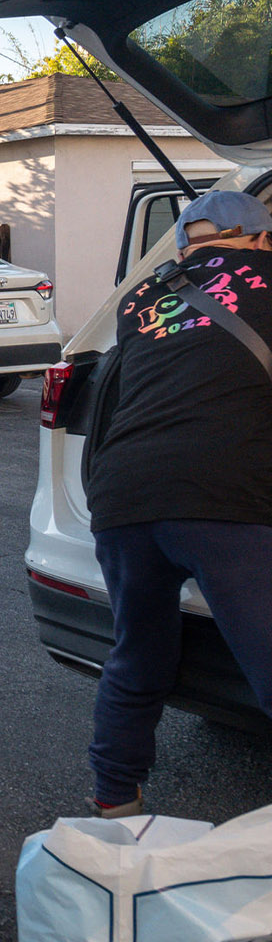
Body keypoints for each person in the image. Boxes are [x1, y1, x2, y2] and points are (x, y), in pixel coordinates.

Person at [84, 189, 272, 817]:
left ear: (187, 244)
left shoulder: (140, 298)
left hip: (122, 495)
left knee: (138, 655)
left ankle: (114, 803)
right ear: (260, 238)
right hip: (221, 496)